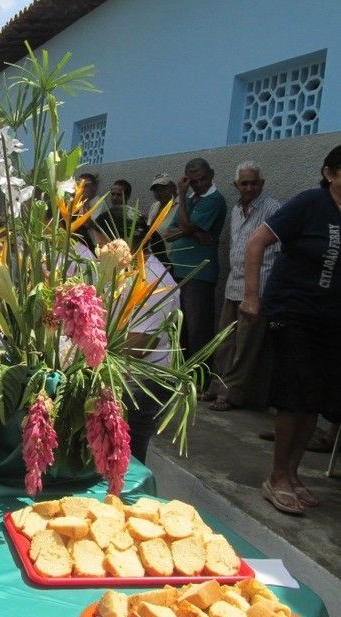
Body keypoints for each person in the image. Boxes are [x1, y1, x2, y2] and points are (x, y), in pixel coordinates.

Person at [241, 145, 341, 516]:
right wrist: (252, 297)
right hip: (293, 311)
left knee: (314, 397)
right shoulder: (310, 204)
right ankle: (277, 476)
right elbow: (256, 243)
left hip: (331, 319)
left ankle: (295, 475)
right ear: (330, 173)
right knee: (294, 394)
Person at [99, 210, 180, 464]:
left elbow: (140, 344)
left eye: (102, 245)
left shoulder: (154, 279)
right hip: (119, 372)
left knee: (126, 460)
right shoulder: (125, 269)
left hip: (140, 381)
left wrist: (91, 361)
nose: (98, 251)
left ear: (121, 243)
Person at [204, 163, 280, 411]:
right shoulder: (236, 209)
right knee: (224, 340)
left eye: (253, 183)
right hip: (233, 283)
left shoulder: (272, 209)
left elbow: (277, 250)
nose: (249, 188)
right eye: (244, 183)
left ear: (262, 183)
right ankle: (216, 387)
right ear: (236, 186)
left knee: (245, 344)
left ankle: (230, 394)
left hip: (258, 285)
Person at [166, 158, 227, 360]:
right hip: (180, 271)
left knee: (197, 330)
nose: (199, 184)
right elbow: (170, 232)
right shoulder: (193, 199)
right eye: (193, 182)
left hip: (199, 274)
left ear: (211, 174)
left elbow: (184, 226)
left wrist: (182, 195)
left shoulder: (214, 199)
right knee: (179, 329)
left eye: (202, 179)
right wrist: (192, 231)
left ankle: (199, 384)